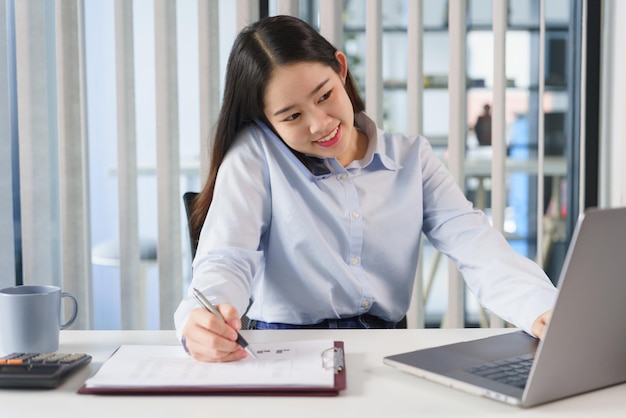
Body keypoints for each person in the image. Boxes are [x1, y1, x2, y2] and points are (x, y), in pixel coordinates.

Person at [174, 15, 557, 363]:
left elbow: (475, 243)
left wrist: (541, 308)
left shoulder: (411, 158)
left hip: (387, 351)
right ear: (265, 120)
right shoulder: (255, 156)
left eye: (324, 96)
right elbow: (227, 258)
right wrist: (202, 318)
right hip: (288, 352)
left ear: (341, 69)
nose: (319, 124)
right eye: (292, 116)